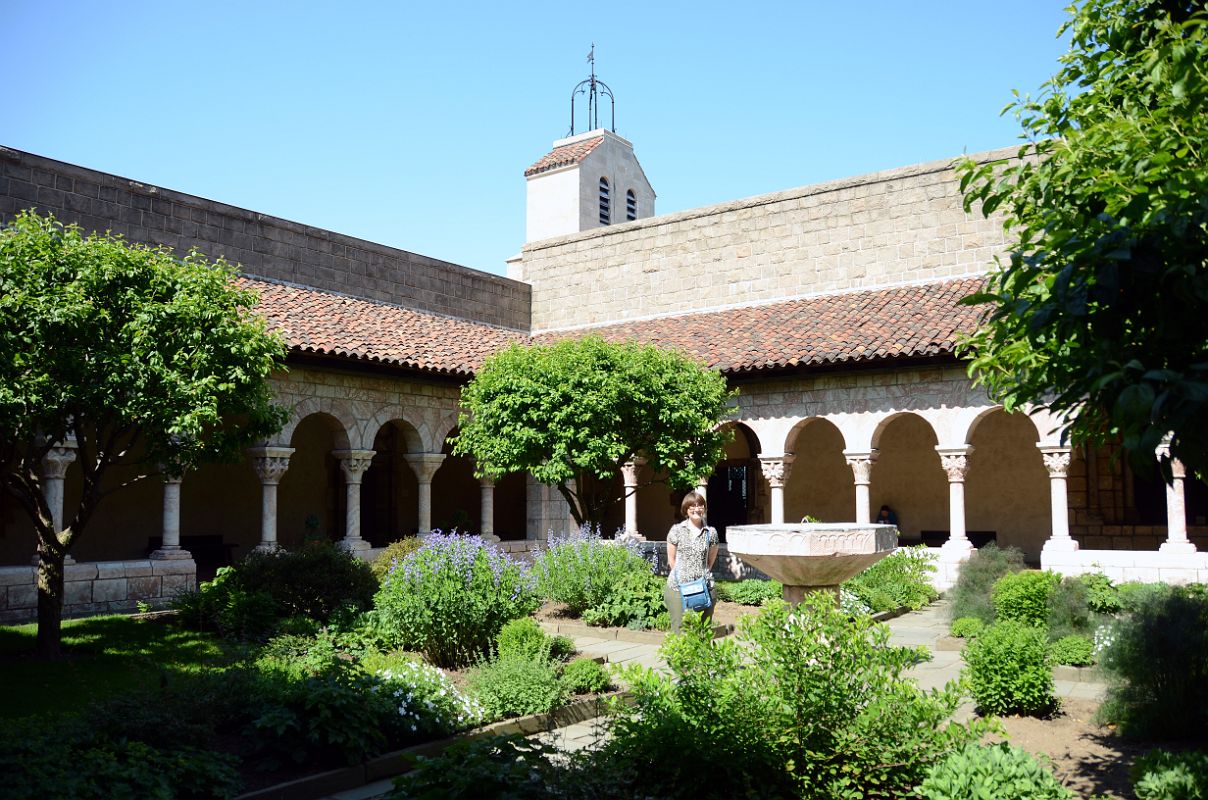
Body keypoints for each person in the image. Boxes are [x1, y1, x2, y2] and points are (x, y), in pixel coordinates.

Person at [664, 491, 719, 633]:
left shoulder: (711, 533)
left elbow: (710, 559)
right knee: (680, 631)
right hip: (679, 588)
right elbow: (672, 560)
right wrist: (685, 576)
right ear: (686, 510)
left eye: (700, 505)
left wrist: (700, 573)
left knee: (704, 631)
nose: (697, 509)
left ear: (705, 508)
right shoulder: (676, 531)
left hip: (704, 587)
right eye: (692, 506)